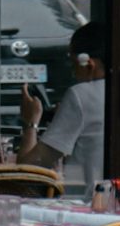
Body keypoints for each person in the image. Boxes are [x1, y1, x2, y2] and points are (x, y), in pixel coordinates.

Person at [20, 25, 110, 196]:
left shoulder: (81, 94)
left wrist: (30, 122)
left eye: (73, 64)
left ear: (88, 64)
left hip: (95, 213)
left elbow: (29, 171)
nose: (73, 73)